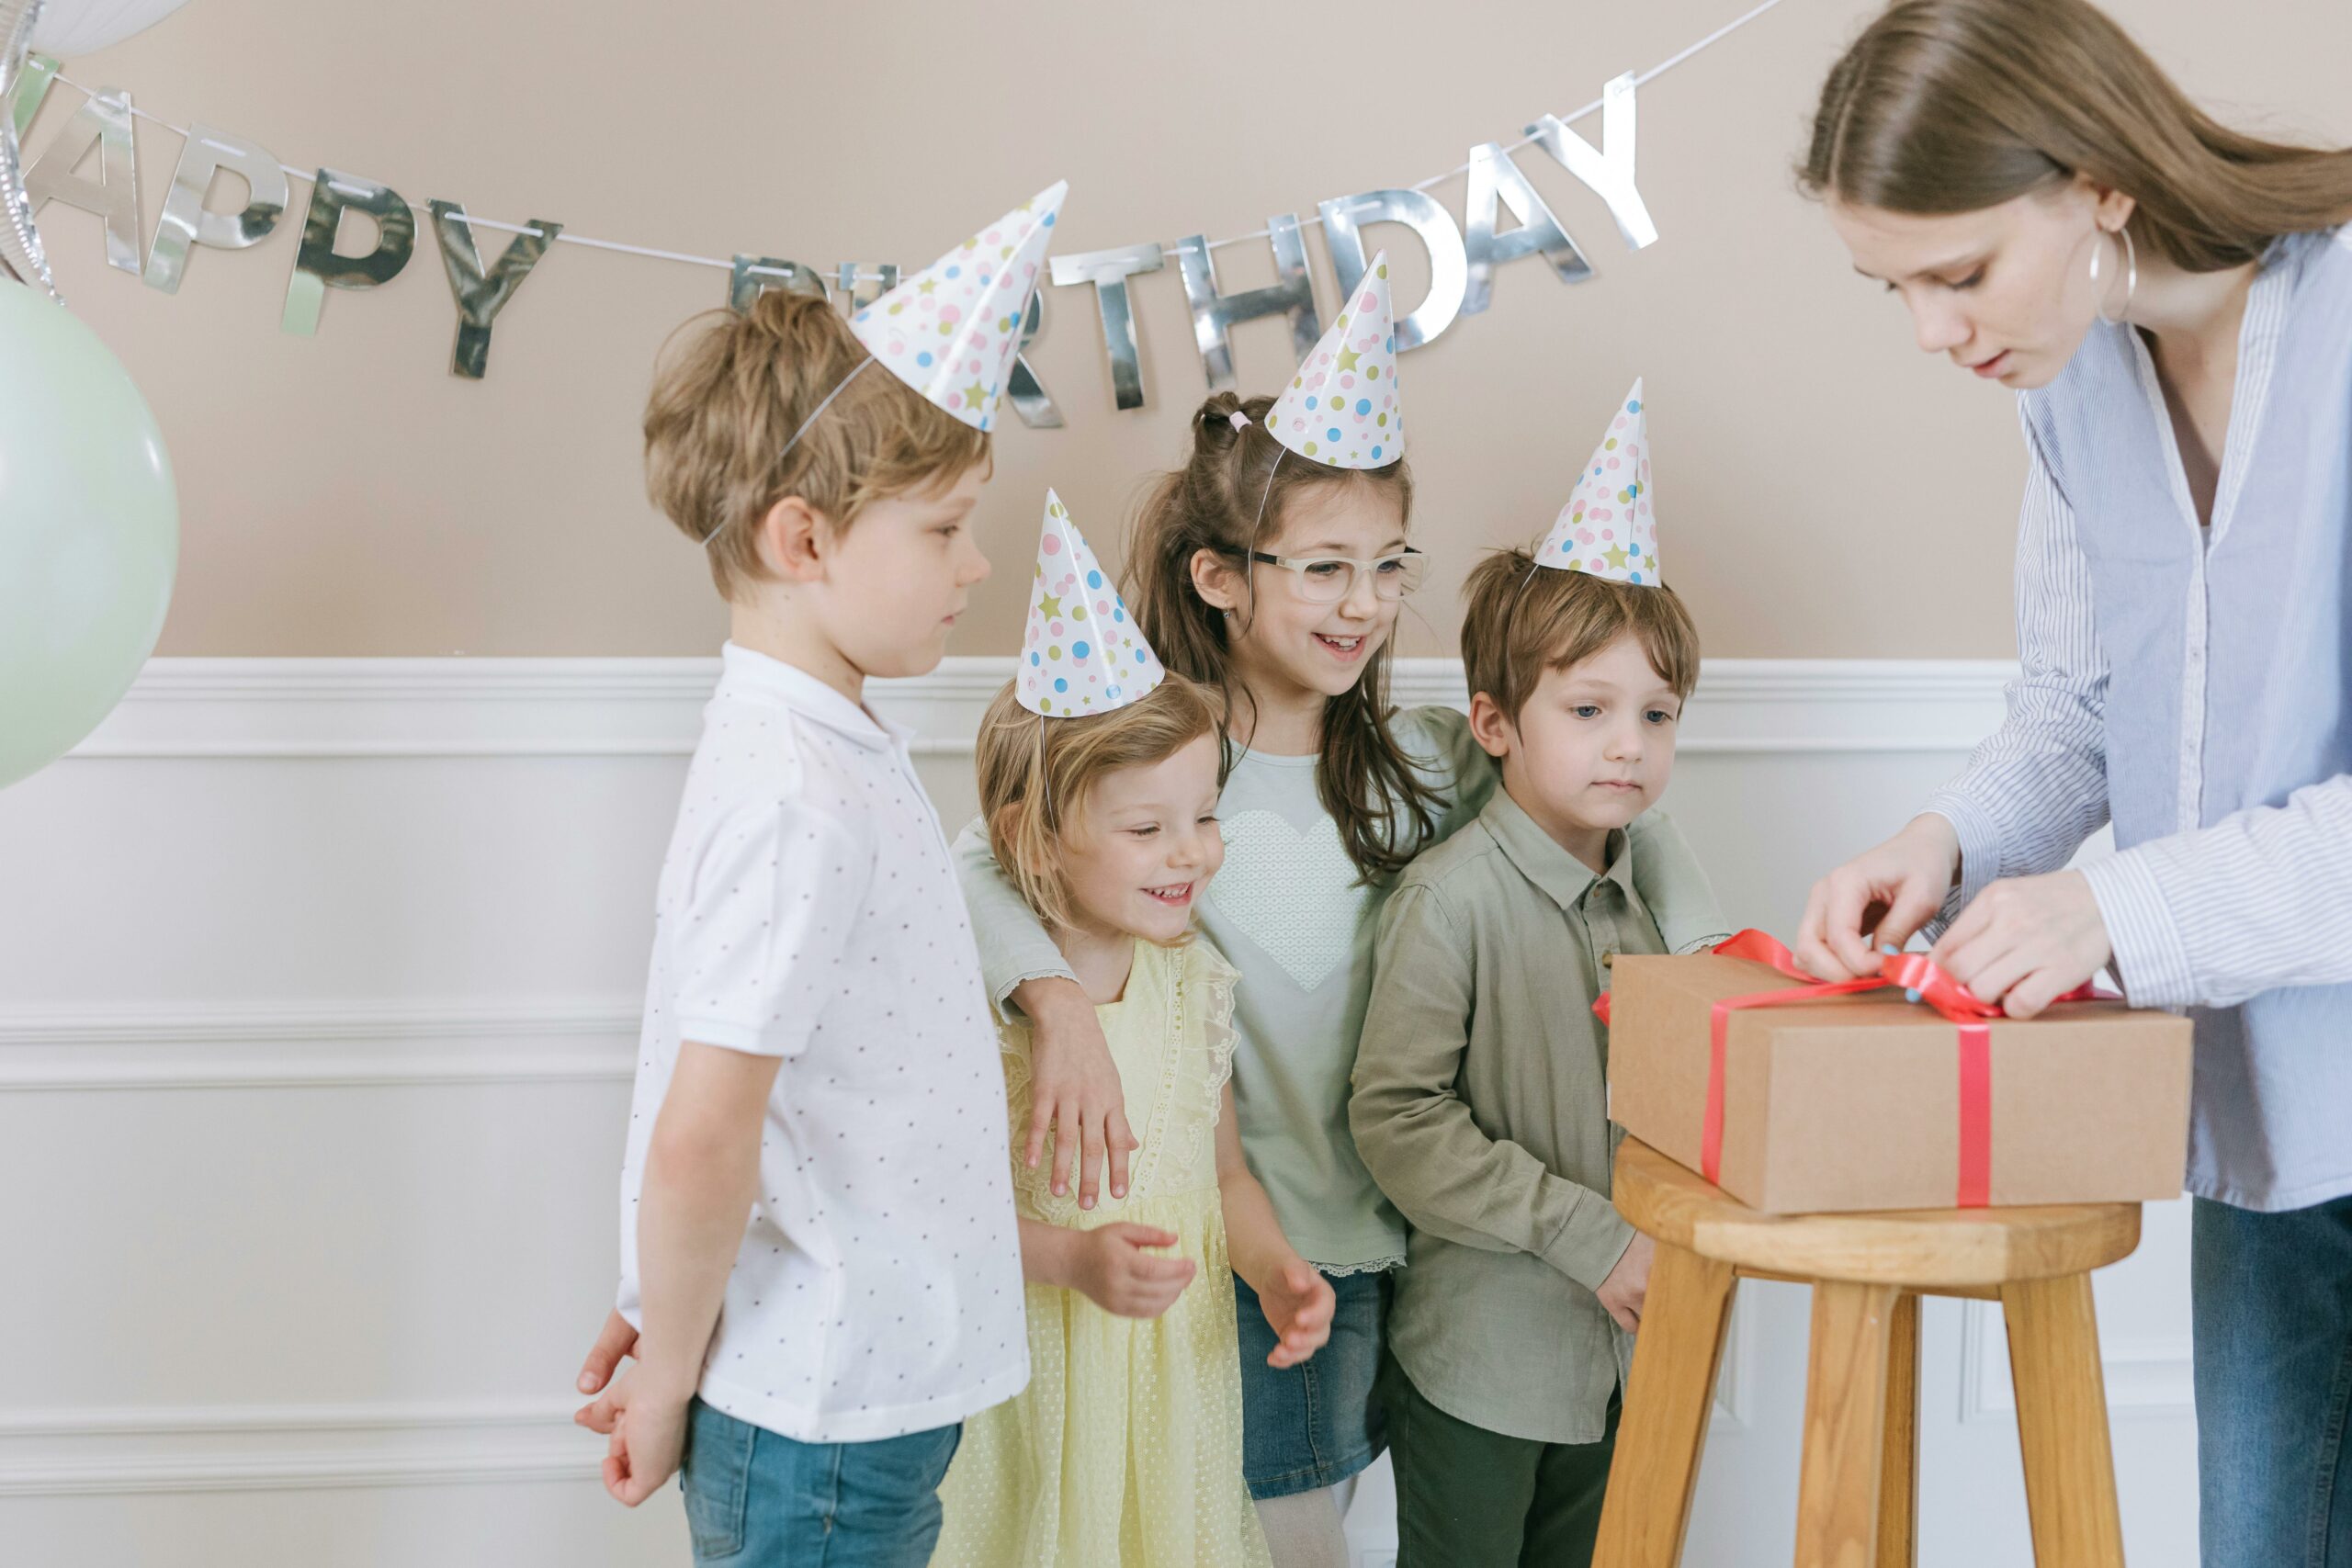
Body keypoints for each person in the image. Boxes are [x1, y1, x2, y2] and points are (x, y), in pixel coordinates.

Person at [1794, 5, 2352, 1561]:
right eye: (1891, 286)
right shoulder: (2070, 390)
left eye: (1958, 272)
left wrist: (2114, 904)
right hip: (2277, 1114)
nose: (1930, 331)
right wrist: (1947, 838)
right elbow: (2077, 710)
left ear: (2100, 179)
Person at [578, 185, 1063, 1567]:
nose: (977, 563)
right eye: (945, 527)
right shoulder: (795, 794)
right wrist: (668, 1366)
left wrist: (667, 1299)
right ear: (804, 540)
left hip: (854, 1389)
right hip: (819, 1418)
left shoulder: (824, 743)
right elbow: (703, 1130)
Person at [1352, 386, 1717, 1566]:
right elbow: (1398, 1120)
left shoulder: (1659, 903)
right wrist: (1586, 1235)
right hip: (1486, 1367)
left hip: (1628, 1360)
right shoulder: (1449, 903)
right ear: (1495, 725)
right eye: (1590, 709)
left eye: (1657, 715)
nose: (1630, 744)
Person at [933, 494, 1334, 1566]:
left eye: (1202, 817)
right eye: (1147, 828)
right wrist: (1070, 1260)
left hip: (1172, 1395)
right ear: (1033, 835)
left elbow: (1226, 1181)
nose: (1191, 854)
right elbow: (932, 1219)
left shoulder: (1195, 984)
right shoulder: (984, 1009)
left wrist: (1270, 1268)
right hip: (1025, 1390)